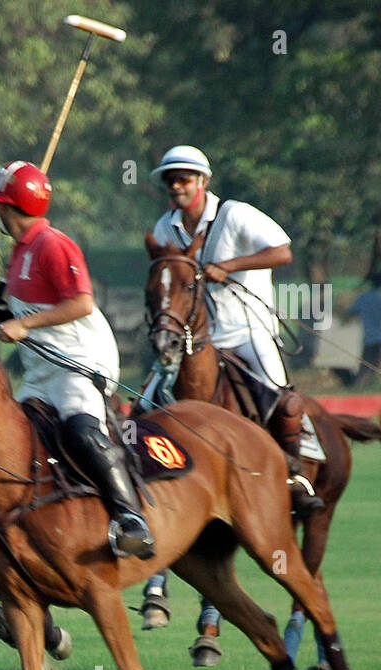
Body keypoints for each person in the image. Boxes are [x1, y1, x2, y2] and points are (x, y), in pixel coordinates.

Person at [0, 160, 155, 560]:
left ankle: (132, 520)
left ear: (10, 207)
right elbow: (11, 309)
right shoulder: (20, 250)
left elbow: (81, 302)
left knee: (80, 430)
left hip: (79, 361)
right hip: (41, 370)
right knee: (6, 439)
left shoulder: (52, 244)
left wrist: (25, 326)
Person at [150, 144, 324, 516]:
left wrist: (230, 265)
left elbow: (283, 251)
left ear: (202, 181)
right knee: (149, 398)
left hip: (248, 330)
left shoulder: (234, 215)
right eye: (170, 181)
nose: (176, 187)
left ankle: (295, 475)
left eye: (183, 179)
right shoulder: (166, 226)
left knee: (280, 395)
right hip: (196, 337)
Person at [345, 273, 381, 385]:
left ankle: (360, 388)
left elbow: (350, 311)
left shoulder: (363, 297)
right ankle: (378, 389)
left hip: (368, 339)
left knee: (364, 370)